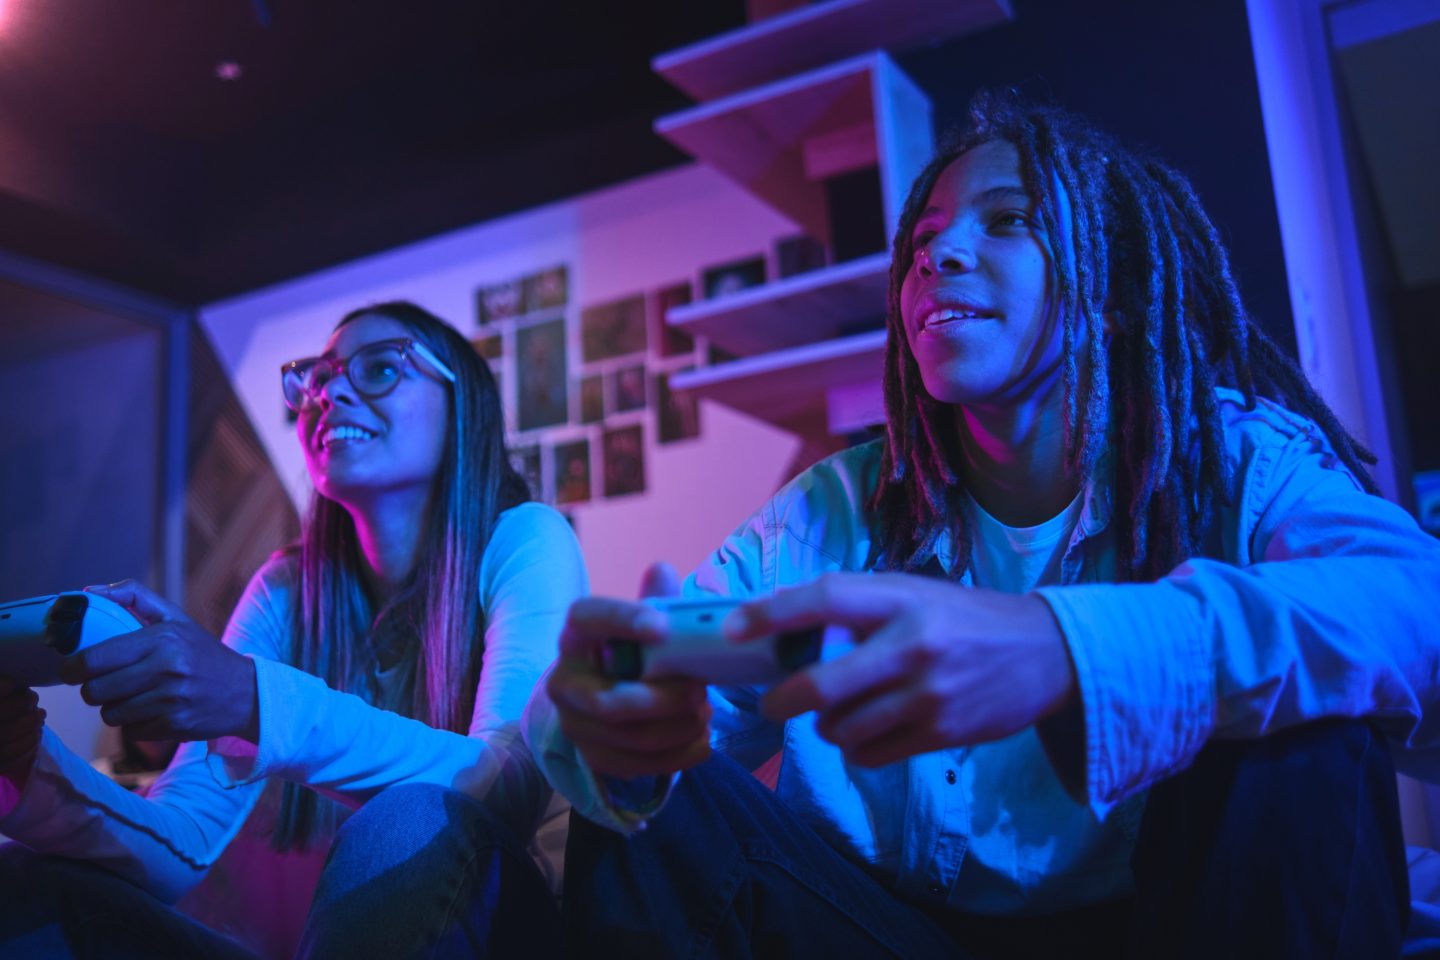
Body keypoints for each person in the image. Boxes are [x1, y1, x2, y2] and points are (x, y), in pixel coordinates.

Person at [526, 91, 1440, 958]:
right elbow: (646, 671)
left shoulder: (1242, 465)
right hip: (891, 936)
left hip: (1174, 926)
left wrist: (1065, 649)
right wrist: (613, 711)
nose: (939, 255)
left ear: (1114, 289)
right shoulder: (827, 515)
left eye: (1007, 220)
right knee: (634, 799)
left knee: (1310, 723)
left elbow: (1417, 606)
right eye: (922, 239)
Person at [0, 301, 584, 959]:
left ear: (462, 404)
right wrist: (26, 774)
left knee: (404, 820)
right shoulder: (284, 590)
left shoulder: (527, 539)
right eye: (317, 379)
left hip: (509, 935)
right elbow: (181, 843)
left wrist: (253, 699)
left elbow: (510, 787)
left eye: (380, 369)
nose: (329, 393)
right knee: (22, 877)